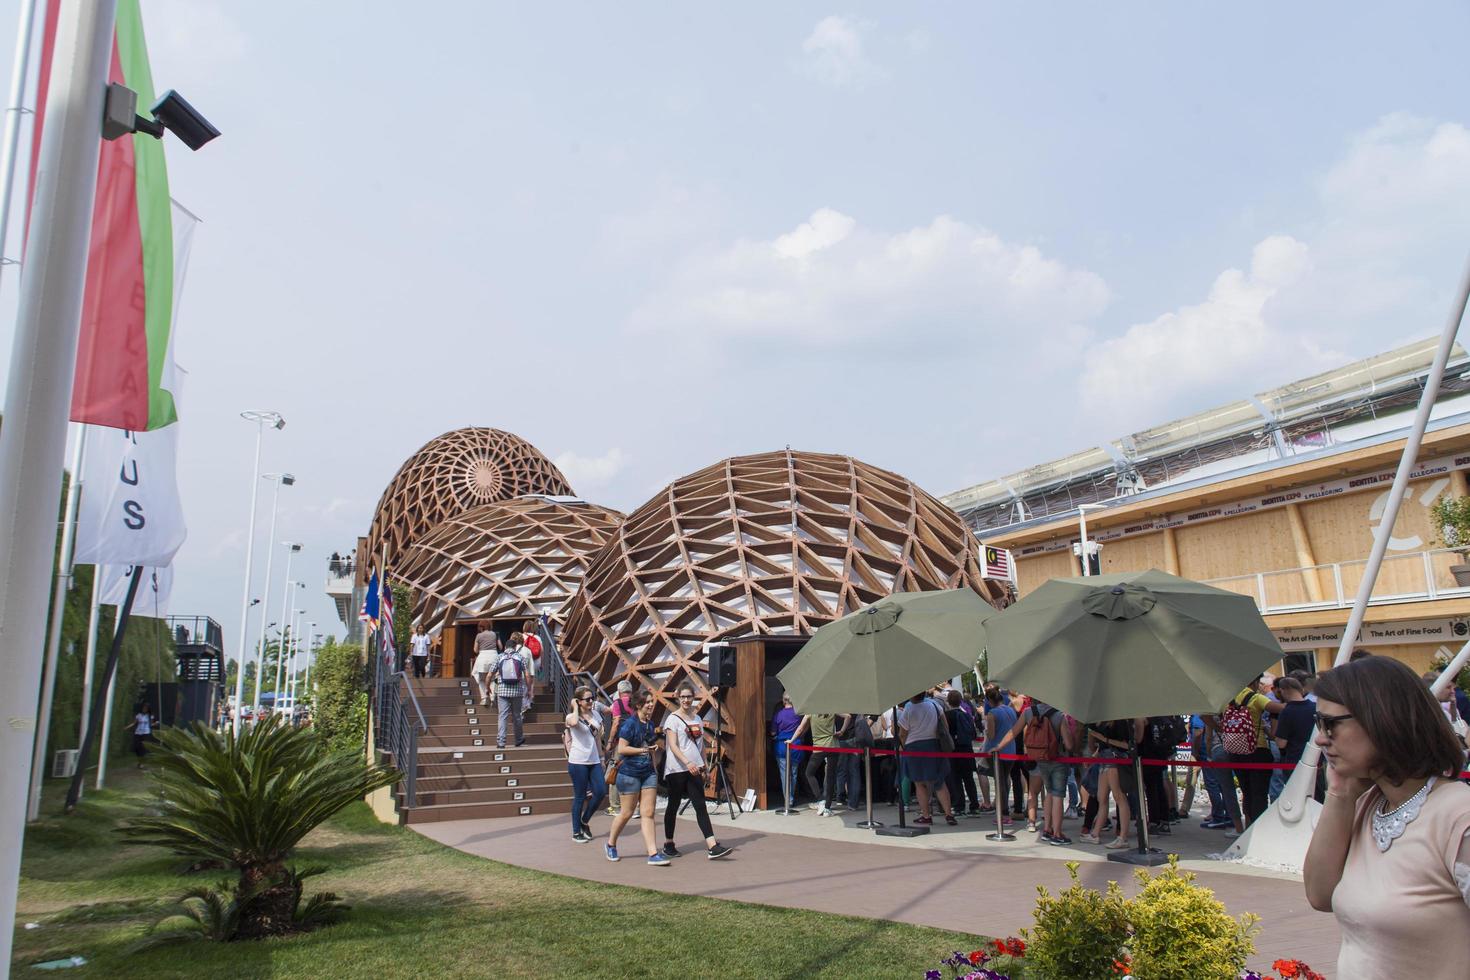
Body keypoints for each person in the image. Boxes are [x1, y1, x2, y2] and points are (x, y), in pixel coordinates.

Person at [1303, 655, 1470, 975]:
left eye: (1331, 724)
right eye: (1318, 723)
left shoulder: (1457, 816)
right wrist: (1339, 793)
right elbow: (1320, 895)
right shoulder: (1367, 805)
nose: (1321, 738)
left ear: (1382, 718)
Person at [660, 683, 733, 860]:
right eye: (683, 697)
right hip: (676, 769)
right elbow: (673, 746)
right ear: (678, 698)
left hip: (695, 769)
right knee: (673, 805)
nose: (686, 700)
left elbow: (699, 745)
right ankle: (669, 843)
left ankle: (712, 845)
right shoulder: (673, 719)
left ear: (694, 698)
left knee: (700, 805)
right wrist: (686, 762)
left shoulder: (697, 719)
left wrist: (704, 766)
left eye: (689, 697)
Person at [997, 699, 1076, 844]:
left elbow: (1014, 732)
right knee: (1058, 794)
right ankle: (1057, 834)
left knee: (1050, 792)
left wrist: (998, 747)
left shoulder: (1028, 713)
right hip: (1057, 759)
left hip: (1039, 758)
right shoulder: (1059, 716)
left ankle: (1046, 830)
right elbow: (1069, 745)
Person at [606, 692, 669, 867]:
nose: (650, 705)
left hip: (648, 773)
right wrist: (642, 751)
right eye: (647, 702)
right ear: (638, 705)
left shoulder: (650, 724)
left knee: (648, 813)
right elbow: (623, 749)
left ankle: (653, 853)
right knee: (626, 813)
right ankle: (610, 843)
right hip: (629, 774)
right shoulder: (629, 725)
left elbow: (648, 746)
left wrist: (653, 751)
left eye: (651, 701)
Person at [1222, 674, 1286, 825]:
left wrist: (1218, 727)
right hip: (1257, 749)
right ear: (1255, 682)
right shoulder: (1256, 698)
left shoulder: (1227, 699)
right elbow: (1278, 708)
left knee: (1247, 792)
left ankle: (1248, 826)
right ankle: (1259, 827)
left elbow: (1206, 715)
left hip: (1235, 751)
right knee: (1259, 793)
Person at [899, 691, 958, 826]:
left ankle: (926, 815)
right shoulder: (935, 705)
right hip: (934, 744)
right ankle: (949, 814)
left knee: (919, 782)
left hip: (914, 747)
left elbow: (903, 733)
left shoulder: (909, 708)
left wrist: (903, 745)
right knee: (939, 782)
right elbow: (945, 726)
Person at [1083, 718, 1142, 849]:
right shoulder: (1105, 721)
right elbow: (1104, 745)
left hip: (1114, 761)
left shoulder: (1121, 722)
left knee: (1119, 796)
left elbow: (1127, 745)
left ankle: (1122, 837)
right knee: (1101, 797)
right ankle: (1095, 834)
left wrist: (1103, 739)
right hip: (1105, 760)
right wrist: (1094, 757)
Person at [564, 687, 607, 843]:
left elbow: (597, 738)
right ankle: (576, 832)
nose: (591, 702)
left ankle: (584, 820)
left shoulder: (595, 714)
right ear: (579, 701)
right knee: (580, 796)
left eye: (592, 698)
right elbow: (574, 722)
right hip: (578, 761)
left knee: (601, 791)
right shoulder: (571, 716)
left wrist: (602, 758)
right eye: (587, 699)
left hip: (594, 760)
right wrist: (575, 707)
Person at [1271, 676, 1317, 801]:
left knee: (1298, 799)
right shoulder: (1315, 707)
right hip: (1316, 760)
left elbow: (1281, 743)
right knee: (1317, 798)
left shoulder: (1287, 711)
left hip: (1295, 762)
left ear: (1283, 690)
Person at [790, 710, 843, 814]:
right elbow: (848, 716)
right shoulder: (832, 710)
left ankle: (820, 799)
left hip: (819, 748)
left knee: (809, 773)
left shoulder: (811, 712)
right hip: (833, 746)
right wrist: (842, 731)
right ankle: (827, 807)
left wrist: (791, 740)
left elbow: (800, 729)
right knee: (831, 777)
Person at [983, 686, 1018, 825]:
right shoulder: (1011, 710)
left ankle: (1004, 813)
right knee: (1004, 780)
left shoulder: (992, 714)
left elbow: (991, 735)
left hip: (998, 751)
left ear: (990, 700)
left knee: (1000, 783)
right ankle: (1004, 810)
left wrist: (986, 731)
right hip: (1011, 750)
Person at [491, 633, 532, 749]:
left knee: (502, 716)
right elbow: (528, 675)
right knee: (517, 716)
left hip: (502, 691)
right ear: (514, 648)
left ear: (505, 647)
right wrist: (529, 689)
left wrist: (489, 689)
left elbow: (490, 674)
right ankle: (518, 739)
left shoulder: (499, 657)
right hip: (517, 691)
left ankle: (501, 742)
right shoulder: (520, 657)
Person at [945, 690, 981, 817]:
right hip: (967, 749)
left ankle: (959, 806)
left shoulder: (947, 715)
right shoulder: (966, 714)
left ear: (948, 701)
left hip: (953, 749)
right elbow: (973, 733)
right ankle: (974, 805)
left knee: (956, 779)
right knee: (969, 779)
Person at [604, 680, 635, 816]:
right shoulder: (636, 702)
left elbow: (616, 723)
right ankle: (634, 807)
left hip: (621, 743)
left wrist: (610, 741)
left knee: (614, 772)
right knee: (634, 772)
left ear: (619, 691)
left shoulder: (618, 703)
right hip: (636, 743)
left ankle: (615, 807)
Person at [770, 692, 804, 806]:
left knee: (784, 774)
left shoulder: (778, 715)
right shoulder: (798, 714)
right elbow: (803, 727)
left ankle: (787, 800)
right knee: (794, 773)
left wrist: (776, 735)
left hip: (781, 746)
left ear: (783, 701)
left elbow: (773, 732)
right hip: (796, 745)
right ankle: (791, 798)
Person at [521, 619, 543, 715]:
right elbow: (542, 651)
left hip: (525, 661)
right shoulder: (537, 637)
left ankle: (525, 702)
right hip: (536, 661)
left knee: (524, 681)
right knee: (532, 681)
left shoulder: (522, 636)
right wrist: (542, 663)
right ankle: (530, 699)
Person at [124, 703, 155, 768]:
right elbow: (134, 723)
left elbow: (151, 724)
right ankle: (139, 760)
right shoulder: (138, 715)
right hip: (138, 733)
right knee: (137, 747)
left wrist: (156, 723)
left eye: (146, 708)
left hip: (146, 733)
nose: (144, 709)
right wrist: (127, 727)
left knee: (143, 747)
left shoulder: (150, 716)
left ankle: (141, 763)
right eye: (144, 708)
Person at [471, 636, 499, 706]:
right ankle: (492, 698)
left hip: (482, 657)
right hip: (494, 656)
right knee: (492, 679)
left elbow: (475, 650)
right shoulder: (495, 635)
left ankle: (484, 698)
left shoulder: (479, 636)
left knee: (481, 680)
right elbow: (500, 646)